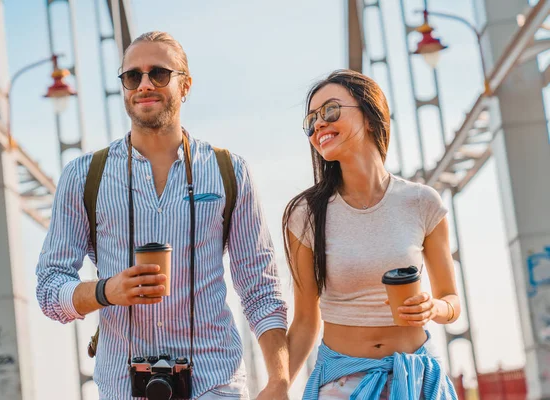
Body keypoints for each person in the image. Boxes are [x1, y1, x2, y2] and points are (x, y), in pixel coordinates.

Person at [36, 31, 289, 400]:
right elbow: (48, 289)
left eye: (158, 73)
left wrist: (280, 380)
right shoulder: (82, 177)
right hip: (123, 387)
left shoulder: (229, 171)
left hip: (215, 385)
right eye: (131, 76)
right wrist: (107, 291)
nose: (143, 85)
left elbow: (261, 289)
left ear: (185, 85)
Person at [283, 69, 460, 399]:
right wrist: (278, 386)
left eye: (330, 111)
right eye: (311, 120)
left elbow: (452, 301)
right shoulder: (305, 214)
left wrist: (432, 308)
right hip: (341, 383)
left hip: (418, 380)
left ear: (369, 115)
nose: (318, 124)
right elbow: (306, 321)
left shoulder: (422, 202)